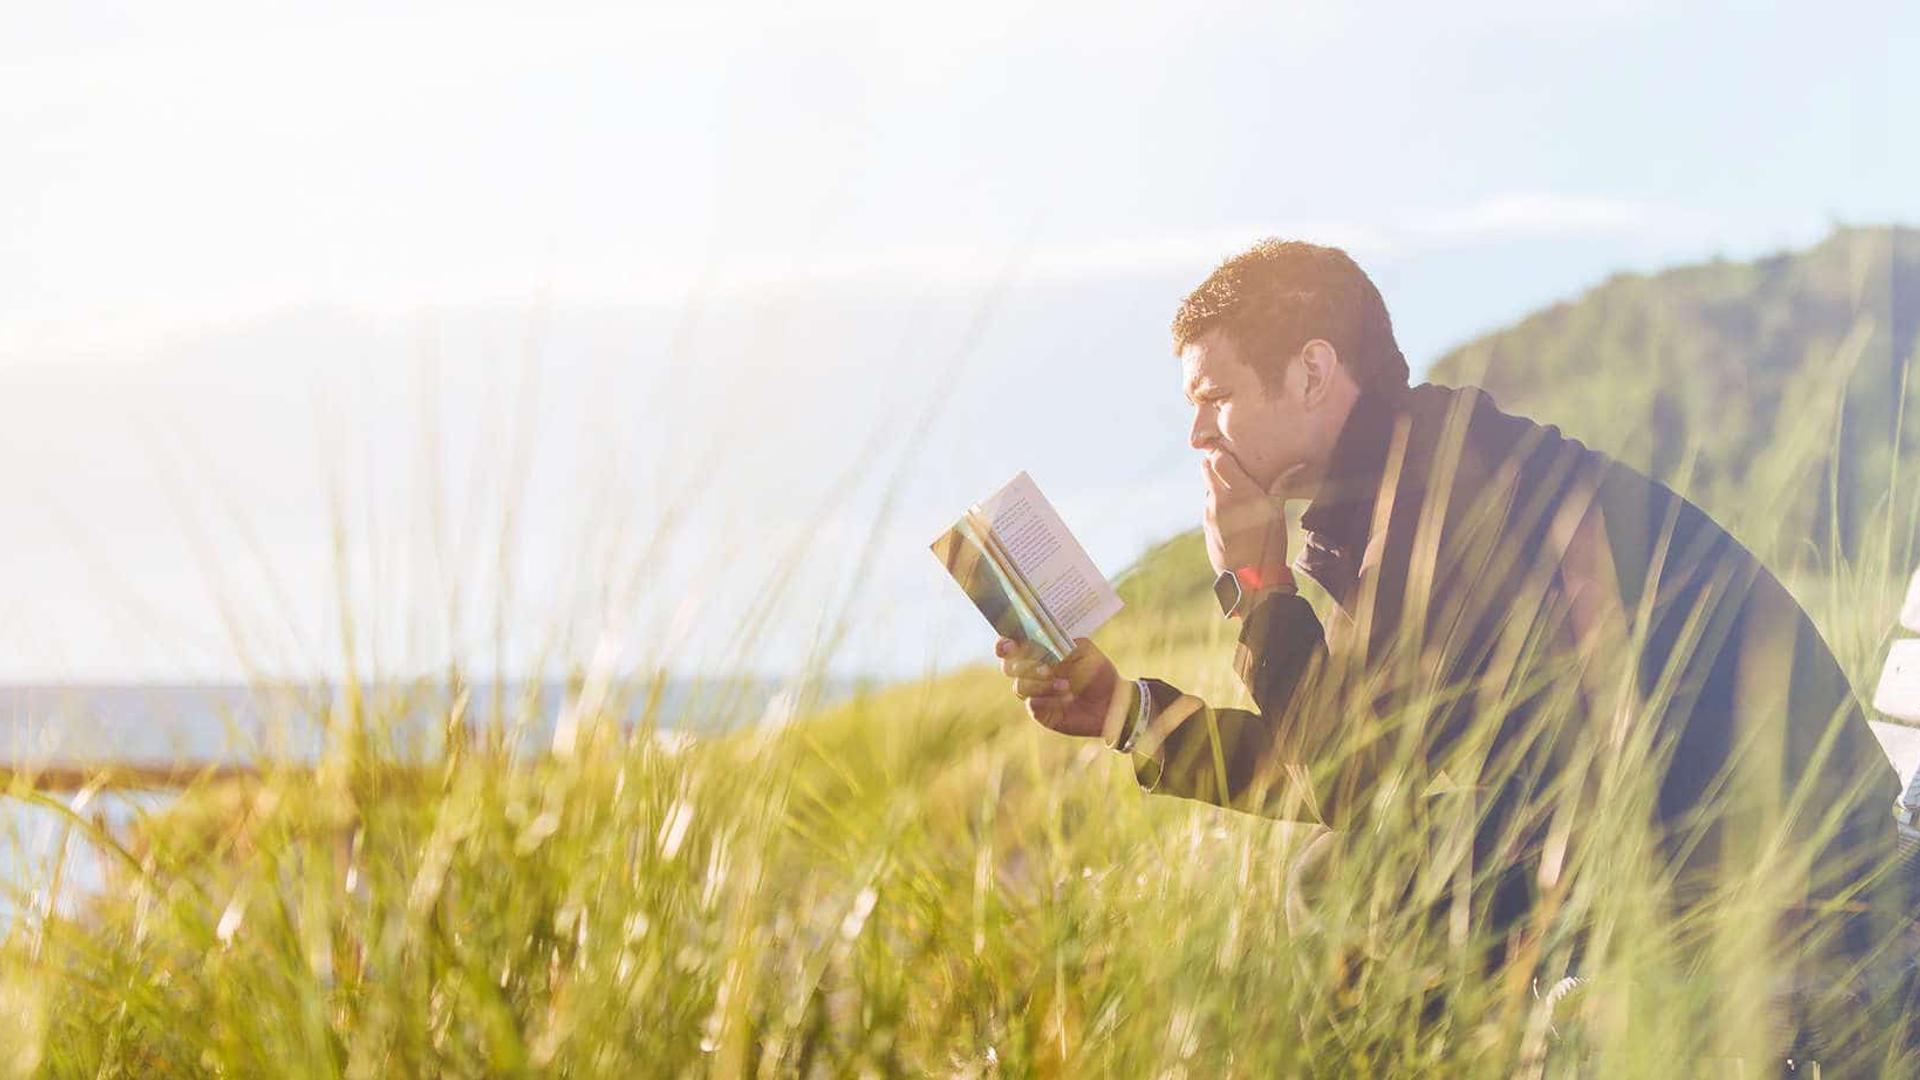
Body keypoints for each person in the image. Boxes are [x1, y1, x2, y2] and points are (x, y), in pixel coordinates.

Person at [994, 238, 1910, 1057]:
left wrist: (1261, 585)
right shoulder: (1404, 486)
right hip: (1687, 848)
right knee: (1355, 876)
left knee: (1349, 886)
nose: (1197, 434)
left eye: (1216, 397)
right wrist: (1123, 712)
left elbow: (1343, 778)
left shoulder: (1448, 496)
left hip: (1790, 880)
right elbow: (1352, 764)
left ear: (1314, 371)